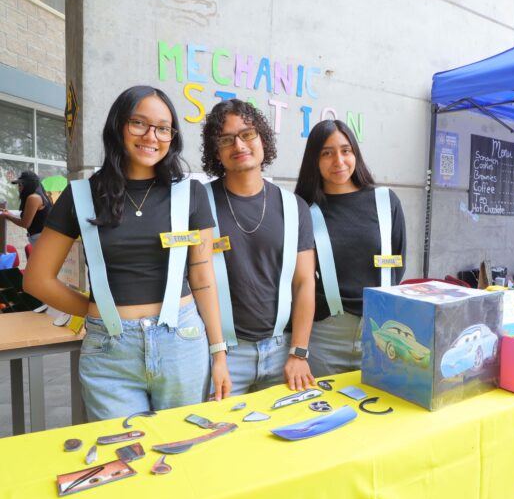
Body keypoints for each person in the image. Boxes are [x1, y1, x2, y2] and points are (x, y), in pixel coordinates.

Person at [23, 85, 230, 420]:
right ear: (118, 125)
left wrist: (219, 354)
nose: (152, 136)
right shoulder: (81, 195)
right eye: (139, 123)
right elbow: (37, 280)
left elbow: (203, 276)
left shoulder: (190, 194)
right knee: (123, 455)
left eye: (163, 128)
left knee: (181, 451)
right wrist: (100, 311)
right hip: (110, 351)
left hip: (183, 342)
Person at [201, 99, 316, 394]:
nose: (238, 145)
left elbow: (304, 283)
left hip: (282, 352)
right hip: (220, 355)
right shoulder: (197, 203)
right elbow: (196, 281)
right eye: (226, 139)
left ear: (262, 138)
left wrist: (298, 352)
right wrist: (217, 353)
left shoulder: (294, 207)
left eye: (247, 134)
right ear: (216, 151)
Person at [295, 119, 406, 377]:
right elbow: (299, 280)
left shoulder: (385, 201)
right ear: (314, 159)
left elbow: (397, 264)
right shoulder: (303, 209)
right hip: (325, 337)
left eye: (346, 150)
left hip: (381, 330)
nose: (339, 161)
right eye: (327, 153)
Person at [0, 171, 53, 247]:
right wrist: (9, 212)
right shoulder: (39, 195)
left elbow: (25, 224)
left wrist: (7, 216)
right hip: (43, 237)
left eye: (21, 185)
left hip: (41, 239)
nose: (19, 188)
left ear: (29, 185)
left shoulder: (33, 198)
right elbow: (30, 214)